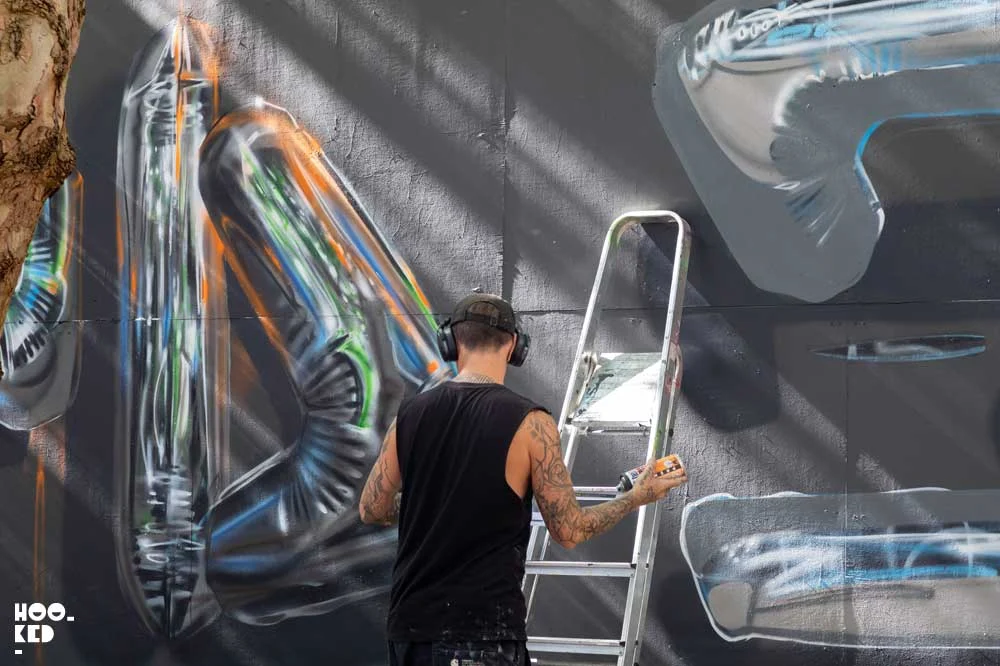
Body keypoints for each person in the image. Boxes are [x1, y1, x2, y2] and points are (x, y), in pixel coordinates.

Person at [359, 293, 688, 666]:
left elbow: (372, 509)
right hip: (481, 635)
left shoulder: (409, 416)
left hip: (409, 631)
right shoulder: (532, 424)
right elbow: (569, 531)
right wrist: (635, 497)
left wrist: (429, 502)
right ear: (514, 345)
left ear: (450, 342)